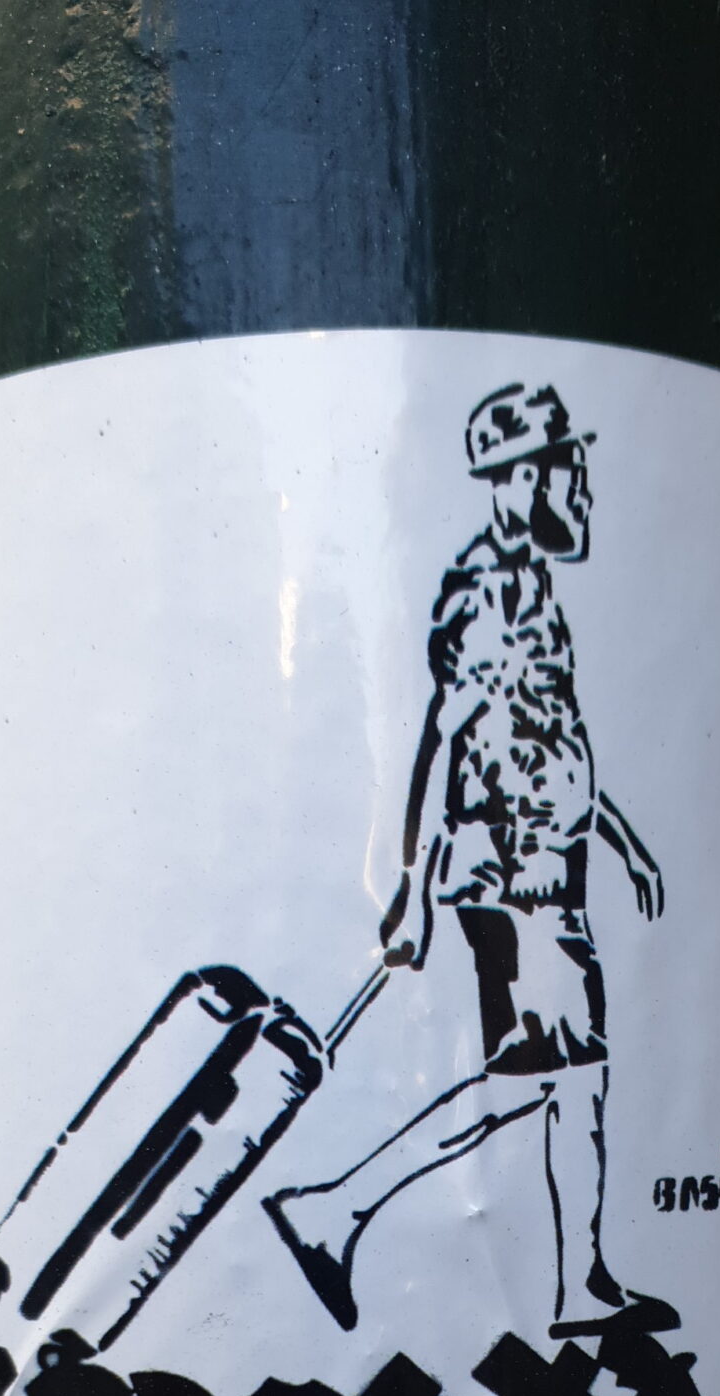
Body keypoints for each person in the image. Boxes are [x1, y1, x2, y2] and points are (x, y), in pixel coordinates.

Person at [264, 381, 665, 1338]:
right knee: (547, 1081)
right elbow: (446, 740)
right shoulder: (486, 597)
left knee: (554, 1083)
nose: (582, 490)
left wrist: (621, 842)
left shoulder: (535, 593)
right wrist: (413, 889)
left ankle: (559, 1278)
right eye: (567, 471)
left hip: (548, 873)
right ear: (519, 479)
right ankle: (340, 1211)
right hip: (512, 881)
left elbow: (548, 742)